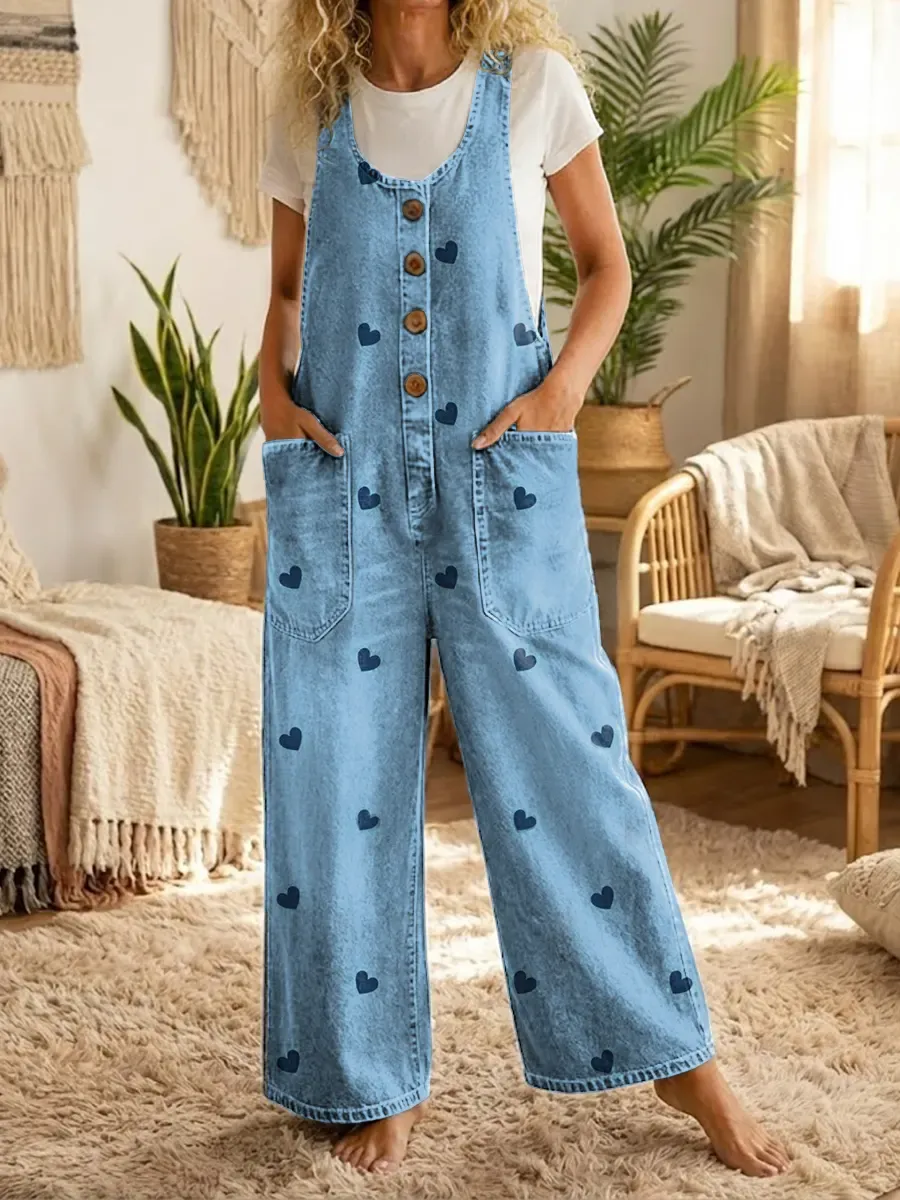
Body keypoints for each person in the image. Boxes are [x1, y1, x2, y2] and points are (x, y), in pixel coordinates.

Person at [257, 0, 790, 1180]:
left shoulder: (532, 85)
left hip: (501, 478)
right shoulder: (307, 106)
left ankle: (675, 1053)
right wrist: (271, 394)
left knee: (571, 763)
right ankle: (367, 1076)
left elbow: (607, 268)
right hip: (341, 486)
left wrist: (559, 398)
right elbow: (288, 292)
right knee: (332, 776)